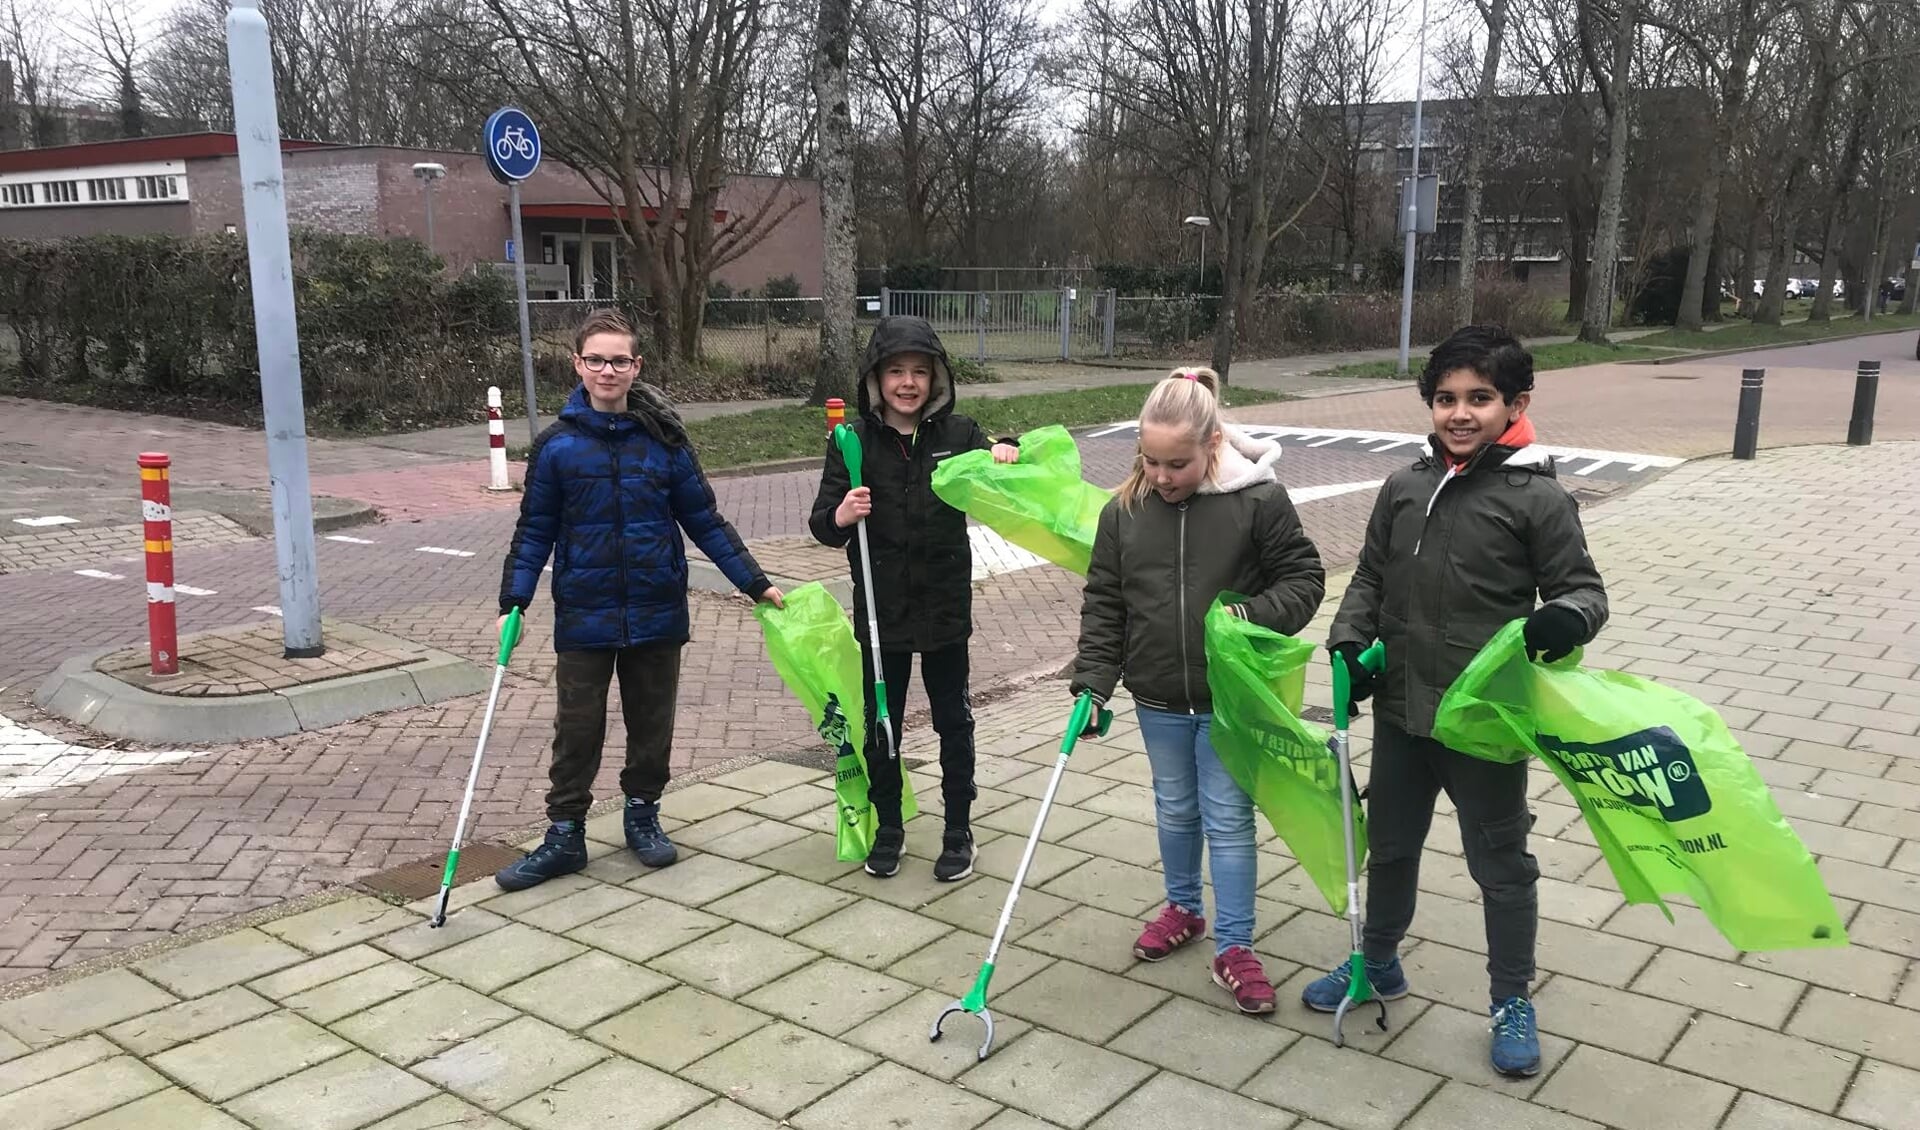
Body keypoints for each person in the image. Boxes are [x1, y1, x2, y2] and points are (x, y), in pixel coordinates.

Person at [1300, 324, 1608, 1076]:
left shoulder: (1537, 498)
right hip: (1404, 717)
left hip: (1485, 724)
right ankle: (1378, 960)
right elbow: (1370, 577)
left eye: (1480, 398)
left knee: (1501, 865)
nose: (1460, 413)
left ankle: (1511, 998)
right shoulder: (1405, 487)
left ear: (1516, 404)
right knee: (1392, 847)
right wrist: (1349, 641)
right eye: (1445, 399)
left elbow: (1583, 591)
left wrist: (1561, 621)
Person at [494, 309, 782, 891]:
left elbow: (704, 519)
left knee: (652, 723)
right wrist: (514, 601)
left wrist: (754, 582)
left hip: (656, 608)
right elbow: (533, 532)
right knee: (578, 728)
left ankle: (642, 815)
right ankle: (565, 835)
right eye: (595, 359)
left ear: (636, 366)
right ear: (577, 365)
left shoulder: (665, 442)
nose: (607, 370)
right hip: (585, 611)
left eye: (619, 360)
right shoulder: (555, 449)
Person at [1071, 367, 1326, 1015]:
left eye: (1177, 463)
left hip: (1228, 698)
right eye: (1149, 461)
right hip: (1155, 694)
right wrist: (1093, 684)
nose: (1161, 475)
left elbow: (1304, 579)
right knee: (1175, 808)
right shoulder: (1124, 512)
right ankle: (1183, 906)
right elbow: (1105, 604)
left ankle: (1236, 945)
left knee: (1229, 820)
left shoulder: (1258, 503)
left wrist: (1249, 615)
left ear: (1213, 444)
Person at [808, 315, 1017, 882]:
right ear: (877, 378)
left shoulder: (960, 435)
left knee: (954, 720)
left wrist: (1007, 451)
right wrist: (842, 515)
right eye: (896, 371)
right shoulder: (852, 442)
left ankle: (958, 830)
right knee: (884, 722)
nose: (908, 383)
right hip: (881, 615)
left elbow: (1004, 468)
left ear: (937, 379)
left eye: (919, 372)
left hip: (945, 607)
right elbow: (822, 525)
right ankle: (889, 827)